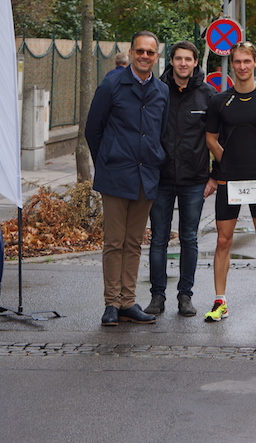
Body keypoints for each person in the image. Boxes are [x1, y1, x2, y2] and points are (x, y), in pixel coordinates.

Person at [85, 31, 168, 326]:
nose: (145, 56)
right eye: (140, 51)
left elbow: (161, 132)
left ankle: (128, 302)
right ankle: (111, 303)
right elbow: (93, 130)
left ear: (156, 56)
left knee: (134, 242)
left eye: (150, 52)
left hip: (147, 176)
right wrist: (106, 161)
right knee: (114, 241)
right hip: (116, 175)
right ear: (131, 53)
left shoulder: (161, 91)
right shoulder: (112, 85)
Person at [204, 41, 256, 323]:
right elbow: (210, 138)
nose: (242, 66)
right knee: (224, 241)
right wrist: (227, 160)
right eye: (237, 62)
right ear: (232, 64)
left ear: (255, 62)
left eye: (247, 61)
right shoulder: (219, 100)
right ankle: (220, 301)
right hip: (228, 181)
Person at [144, 41, 217, 317]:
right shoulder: (158, 91)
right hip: (161, 178)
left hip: (195, 179)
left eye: (188, 59)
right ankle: (157, 296)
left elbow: (217, 139)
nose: (183, 63)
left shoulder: (208, 94)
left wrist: (215, 176)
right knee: (158, 239)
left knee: (189, 238)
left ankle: (185, 296)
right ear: (171, 61)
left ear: (196, 62)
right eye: (178, 59)